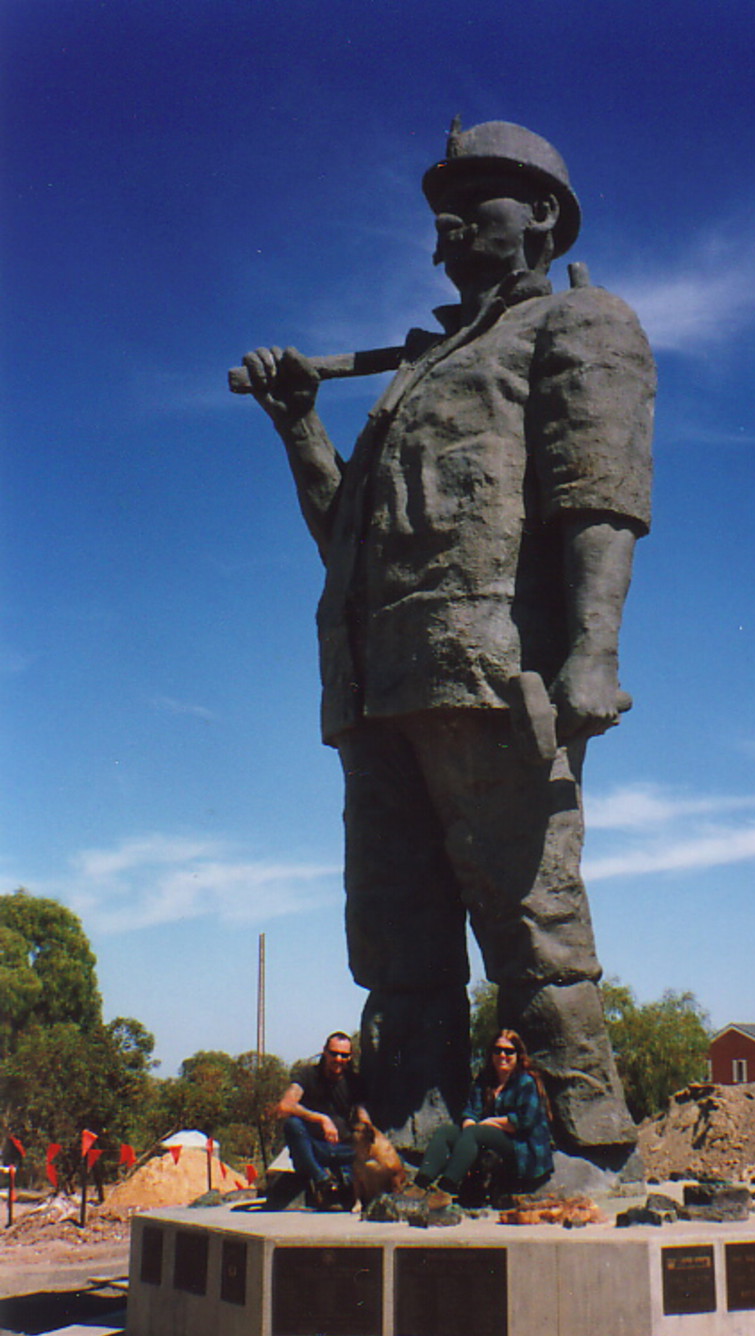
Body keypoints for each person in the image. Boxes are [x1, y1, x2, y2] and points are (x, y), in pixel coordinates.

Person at [240, 118, 655, 1165]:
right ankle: (414, 1137)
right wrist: (299, 427)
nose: (451, 221)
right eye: (442, 204)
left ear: (543, 217)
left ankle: (583, 1139)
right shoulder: (413, 376)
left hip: (487, 672)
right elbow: (344, 539)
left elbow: (596, 497)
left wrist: (593, 651)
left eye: (478, 197)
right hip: (376, 680)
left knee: (528, 920)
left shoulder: (578, 325)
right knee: (395, 935)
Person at [409, 1030, 554, 1207]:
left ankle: (445, 1190)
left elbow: (523, 1123)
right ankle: (420, 1185)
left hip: (522, 1146)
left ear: (518, 1054)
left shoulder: (525, 1082)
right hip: (489, 1135)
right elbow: (471, 1111)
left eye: (509, 1051)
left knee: (476, 1132)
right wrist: (469, 1125)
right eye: (497, 1050)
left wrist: (490, 1122)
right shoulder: (485, 1080)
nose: (502, 1055)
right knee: (446, 1132)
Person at [277, 1032, 364, 1206]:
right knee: (292, 1124)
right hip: (313, 1150)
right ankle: (322, 1180)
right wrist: (321, 1119)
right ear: (324, 1051)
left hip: (342, 1149)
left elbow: (363, 1114)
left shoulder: (354, 1082)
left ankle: (344, 1183)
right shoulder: (308, 1075)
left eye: (344, 1055)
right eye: (334, 1053)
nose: (338, 1059)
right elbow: (285, 1106)